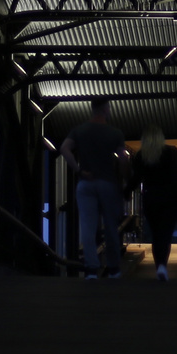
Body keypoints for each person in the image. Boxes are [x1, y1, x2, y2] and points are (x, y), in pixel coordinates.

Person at [61, 100, 130, 279]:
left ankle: (91, 269)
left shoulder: (79, 130)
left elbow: (65, 149)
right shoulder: (115, 133)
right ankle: (114, 268)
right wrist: (124, 177)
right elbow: (123, 158)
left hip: (85, 183)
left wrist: (78, 170)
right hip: (108, 183)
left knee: (88, 227)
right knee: (110, 227)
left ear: (92, 109)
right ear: (106, 109)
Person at [127, 123, 177, 281]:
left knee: (156, 234)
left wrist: (125, 193)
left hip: (151, 198)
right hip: (172, 199)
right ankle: (162, 267)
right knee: (165, 234)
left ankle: (159, 265)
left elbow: (136, 178)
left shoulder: (141, 155)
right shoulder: (171, 152)